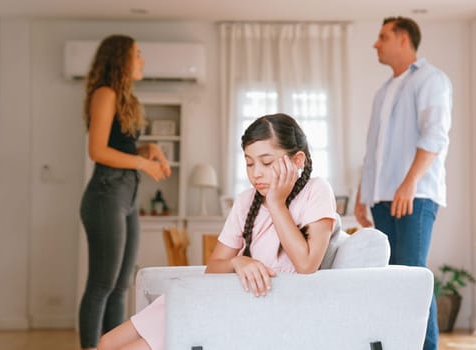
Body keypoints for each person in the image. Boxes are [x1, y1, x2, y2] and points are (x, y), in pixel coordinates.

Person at [96, 113, 336, 350]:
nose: (256, 173)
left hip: (242, 310)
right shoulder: (246, 201)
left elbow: (306, 265)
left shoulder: (316, 191)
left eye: (267, 162)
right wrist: (238, 262)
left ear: (297, 161)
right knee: (106, 343)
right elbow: (213, 268)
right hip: (213, 296)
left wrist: (276, 203)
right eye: (249, 163)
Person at [354, 17, 452, 350]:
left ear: (404, 39)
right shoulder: (384, 92)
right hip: (382, 199)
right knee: (390, 280)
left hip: (416, 196)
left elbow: (435, 136)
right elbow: (373, 152)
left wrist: (409, 183)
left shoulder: (431, 79)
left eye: (383, 37)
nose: (376, 44)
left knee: (413, 277)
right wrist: (361, 197)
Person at [79, 34, 172, 350]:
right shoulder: (104, 94)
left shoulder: (124, 98)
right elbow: (97, 150)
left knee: (120, 285)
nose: (142, 60)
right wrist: (143, 164)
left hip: (126, 195)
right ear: (120, 59)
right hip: (106, 194)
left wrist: (150, 149)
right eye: (137, 54)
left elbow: (121, 145)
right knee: (102, 284)